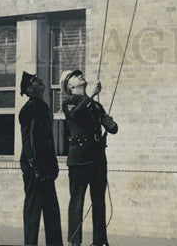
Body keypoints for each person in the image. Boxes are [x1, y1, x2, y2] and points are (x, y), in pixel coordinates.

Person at [61, 70, 118, 246]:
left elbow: (113, 128)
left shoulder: (94, 106)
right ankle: (74, 242)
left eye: (80, 74)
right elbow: (76, 114)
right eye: (75, 76)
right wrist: (91, 95)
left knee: (99, 202)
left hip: (98, 159)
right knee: (77, 202)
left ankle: (99, 242)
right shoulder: (68, 103)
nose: (80, 76)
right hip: (79, 159)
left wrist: (110, 123)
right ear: (70, 86)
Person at [18, 71, 63, 246]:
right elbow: (28, 140)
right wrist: (34, 166)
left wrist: (53, 164)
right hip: (34, 168)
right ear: (29, 89)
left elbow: (48, 141)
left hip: (45, 167)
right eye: (35, 81)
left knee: (51, 209)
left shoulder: (42, 106)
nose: (40, 81)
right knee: (33, 210)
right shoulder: (28, 109)